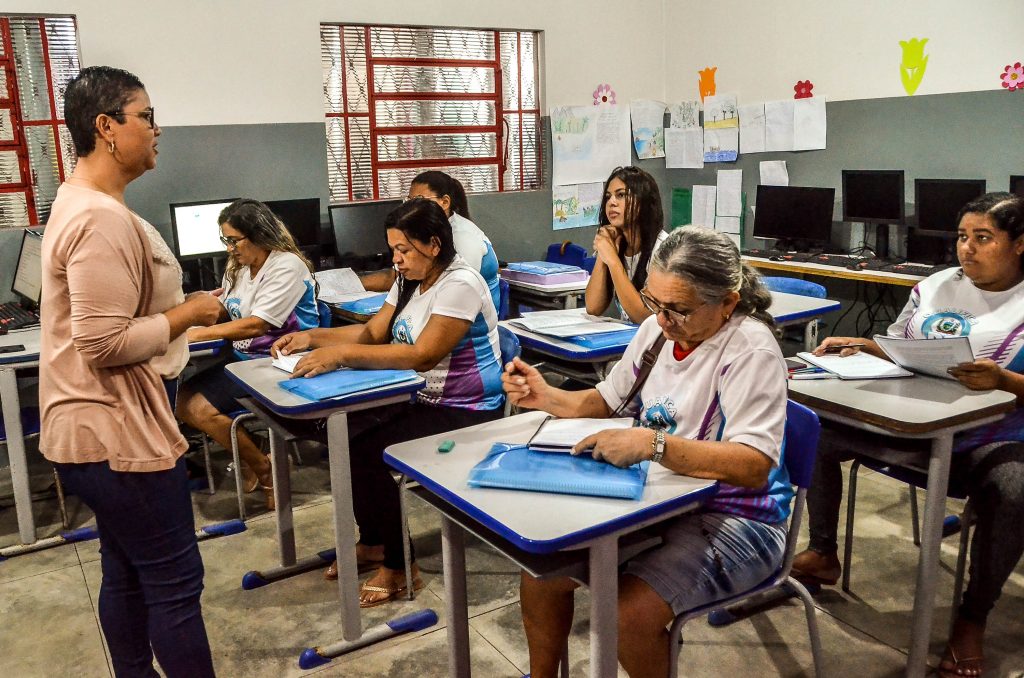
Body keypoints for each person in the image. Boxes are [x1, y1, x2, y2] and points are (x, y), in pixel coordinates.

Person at [503, 227, 789, 678]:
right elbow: (606, 399)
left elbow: (753, 467)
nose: (663, 318)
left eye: (679, 309)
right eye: (654, 303)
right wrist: (548, 397)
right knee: (543, 572)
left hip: (736, 517)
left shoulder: (750, 350)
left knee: (628, 615)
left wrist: (654, 444)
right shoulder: (656, 332)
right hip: (660, 497)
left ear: (728, 303)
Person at [791, 193, 1024, 678]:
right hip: (909, 422)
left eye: (983, 239)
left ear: (1019, 244)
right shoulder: (938, 284)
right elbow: (902, 343)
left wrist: (1003, 381)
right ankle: (823, 553)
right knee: (816, 430)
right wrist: (865, 345)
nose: (967, 249)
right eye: (963, 237)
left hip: (988, 437)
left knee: (1015, 491)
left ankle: (972, 618)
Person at [40, 66, 222, 677]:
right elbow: (102, 342)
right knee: (174, 581)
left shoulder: (80, 204)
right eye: (145, 116)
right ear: (107, 128)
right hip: (116, 434)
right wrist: (187, 314)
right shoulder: (100, 219)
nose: (156, 130)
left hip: (90, 432)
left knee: (125, 568)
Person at [272, 198, 505, 605]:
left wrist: (340, 356)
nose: (395, 260)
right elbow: (374, 334)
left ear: (434, 245)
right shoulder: (411, 279)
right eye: (393, 250)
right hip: (418, 395)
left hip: (465, 410)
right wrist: (313, 339)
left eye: (403, 250)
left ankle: (401, 566)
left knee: (374, 451)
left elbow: (422, 355)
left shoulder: (460, 283)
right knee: (346, 434)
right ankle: (376, 541)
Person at [175, 199, 321, 510]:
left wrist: (194, 334)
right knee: (182, 399)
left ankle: (266, 469)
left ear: (258, 235)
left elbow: (257, 325)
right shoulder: (238, 268)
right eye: (225, 240)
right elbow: (228, 311)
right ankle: (255, 453)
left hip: (280, 363)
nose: (229, 248)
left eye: (233, 240)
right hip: (244, 363)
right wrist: (192, 305)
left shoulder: (286, 266)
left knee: (198, 408)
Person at [361, 170, 501, 312]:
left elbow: (459, 291)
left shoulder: (463, 237)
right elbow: (398, 276)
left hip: (466, 317)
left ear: (445, 202)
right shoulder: (426, 232)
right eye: (409, 200)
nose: (412, 206)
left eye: (420, 199)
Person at [585, 166, 668, 323]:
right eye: (608, 197)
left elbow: (645, 318)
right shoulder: (617, 243)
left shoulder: (664, 251)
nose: (612, 203)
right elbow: (593, 307)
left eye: (621, 195)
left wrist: (613, 261)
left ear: (643, 201)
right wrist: (604, 253)